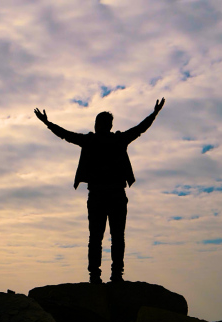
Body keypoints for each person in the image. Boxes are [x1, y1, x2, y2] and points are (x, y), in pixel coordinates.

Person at [34, 98, 165, 283]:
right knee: (116, 237)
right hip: (115, 195)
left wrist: (47, 123)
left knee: (97, 237)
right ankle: (115, 275)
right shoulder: (117, 140)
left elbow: (65, 135)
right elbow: (139, 129)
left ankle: (96, 275)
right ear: (110, 125)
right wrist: (154, 113)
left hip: (98, 195)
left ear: (99, 125)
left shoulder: (91, 141)